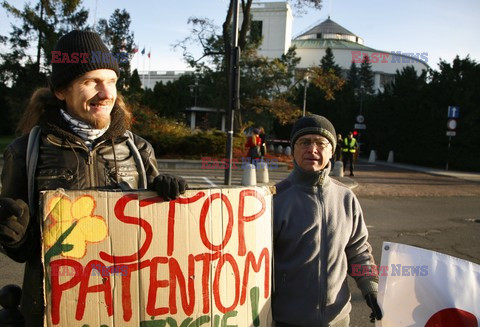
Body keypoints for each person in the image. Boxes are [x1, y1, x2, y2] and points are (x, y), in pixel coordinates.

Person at [0, 30, 187, 326]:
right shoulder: (25, 152)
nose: (106, 93)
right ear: (61, 91)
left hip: (127, 306)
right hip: (55, 310)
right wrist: (14, 234)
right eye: (91, 82)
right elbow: (22, 252)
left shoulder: (139, 150)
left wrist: (166, 201)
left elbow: (162, 243)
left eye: (111, 81)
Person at [273, 115, 382, 326]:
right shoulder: (275, 199)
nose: (312, 149)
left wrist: (370, 288)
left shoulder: (346, 198)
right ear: (294, 149)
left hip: (338, 319)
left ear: (331, 151)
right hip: (287, 320)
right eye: (304, 142)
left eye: (320, 143)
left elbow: (358, 251)